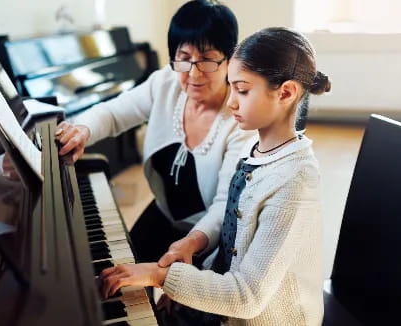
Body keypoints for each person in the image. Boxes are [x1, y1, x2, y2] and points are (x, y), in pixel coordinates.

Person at [98, 27, 331, 326]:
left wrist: (163, 277)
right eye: (231, 87)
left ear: (285, 93)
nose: (231, 101)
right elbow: (230, 227)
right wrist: (193, 246)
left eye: (243, 90)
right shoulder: (255, 150)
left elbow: (247, 297)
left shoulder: (294, 181)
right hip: (225, 302)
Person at [55, 0, 248, 264]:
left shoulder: (241, 120)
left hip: (211, 236)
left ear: (230, 59)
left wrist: (186, 256)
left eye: (206, 60)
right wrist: (82, 129)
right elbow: (113, 113)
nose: (194, 73)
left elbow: (223, 208)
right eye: (184, 59)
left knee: (176, 300)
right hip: (164, 214)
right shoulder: (165, 83)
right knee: (122, 271)